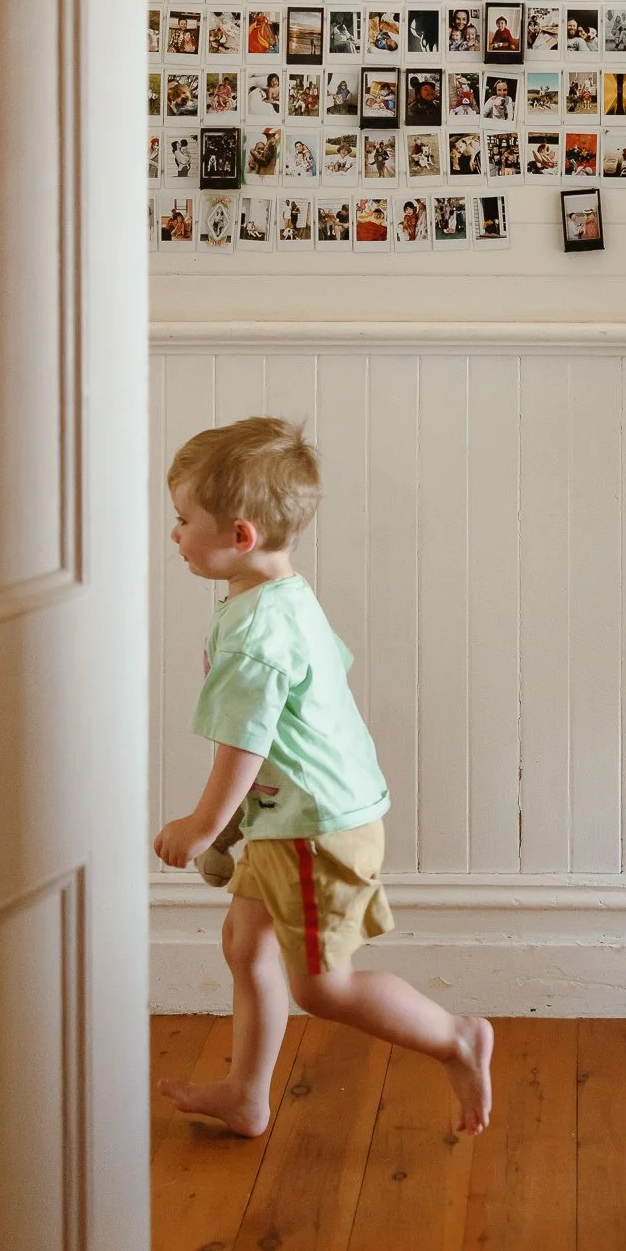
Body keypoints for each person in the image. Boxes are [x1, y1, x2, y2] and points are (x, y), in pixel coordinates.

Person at [155, 418, 495, 1138]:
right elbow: (314, 695)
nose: (174, 535)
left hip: (316, 830)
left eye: (183, 521)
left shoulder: (254, 633)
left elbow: (242, 743)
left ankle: (456, 1037)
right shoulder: (278, 599)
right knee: (245, 946)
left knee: (322, 987)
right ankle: (247, 1096)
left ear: (240, 536)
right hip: (289, 817)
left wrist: (203, 827)